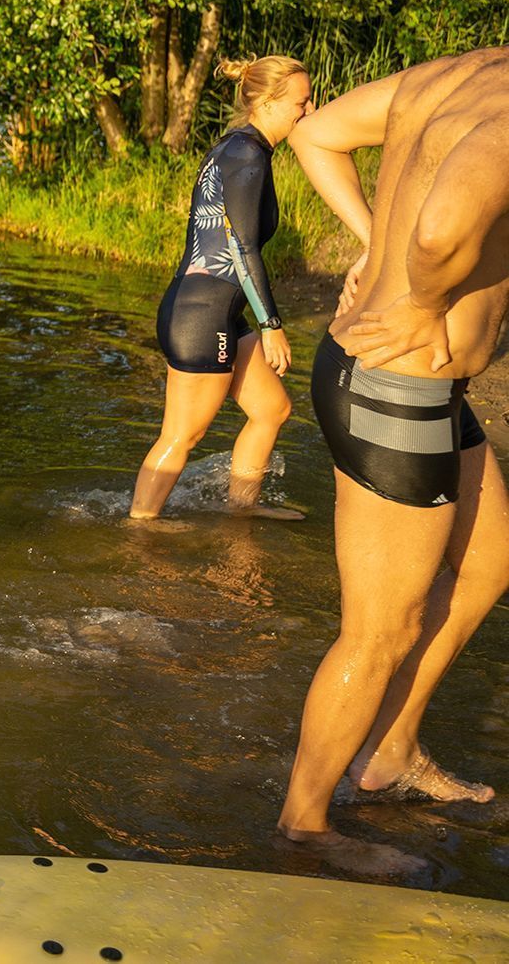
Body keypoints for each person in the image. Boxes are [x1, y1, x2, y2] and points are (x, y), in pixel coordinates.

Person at [275, 47, 509, 875]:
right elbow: (443, 230)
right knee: (380, 630)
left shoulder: (466, 72)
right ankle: (304, 825)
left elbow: (319, 133)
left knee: (486, 568)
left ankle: (393, 751)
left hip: (414, 385)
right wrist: (424, 297)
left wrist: (375, 246)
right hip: (394, 389)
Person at [129, 56, 313, 519]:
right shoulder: (246, 155)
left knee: (272, 409)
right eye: (301, 102)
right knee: (181, 436)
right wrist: (271, 325)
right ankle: (139, 527)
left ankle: (241, 511)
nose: (309, 111)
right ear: (268, 103)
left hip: (218, 311)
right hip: (201, 314)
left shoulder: (239, 149)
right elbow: (244, 247)